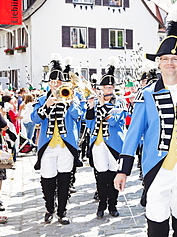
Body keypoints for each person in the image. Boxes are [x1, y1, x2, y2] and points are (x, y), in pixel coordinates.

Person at [114, 2, 177, 237]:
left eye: (175, 59)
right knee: (156, 226)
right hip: (157, 169)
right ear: (158, 62)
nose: (170, 63)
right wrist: (123, 171)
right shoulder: (146, 94)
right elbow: (133, 134)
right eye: (166, 58)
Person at [31, 55, 84, 225]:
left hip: (66, 146)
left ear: (63, 83)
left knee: (64, 179)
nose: (55, 84)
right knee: (47, 178)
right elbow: (35, 120)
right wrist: (46, 105)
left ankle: (62, 211)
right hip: (47, 146)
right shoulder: (41, 99)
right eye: (52, 82)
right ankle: (49, 208)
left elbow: (78, 116)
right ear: (49, 83)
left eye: (58, 82)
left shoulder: (72, 98)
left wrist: (68, 102)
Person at [86, 58, 127, 219]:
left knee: (113, 175)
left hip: (114, 144)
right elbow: (89, 123)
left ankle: (113, 204)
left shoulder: (120, 103)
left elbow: (113, 121)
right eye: (105, 87)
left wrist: (102, 105)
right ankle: (102, 204)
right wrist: (90, 107)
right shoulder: (96, 102)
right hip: (97, 143)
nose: (108, 89)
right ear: (101, 88)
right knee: (101, 175)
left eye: (111, 87)